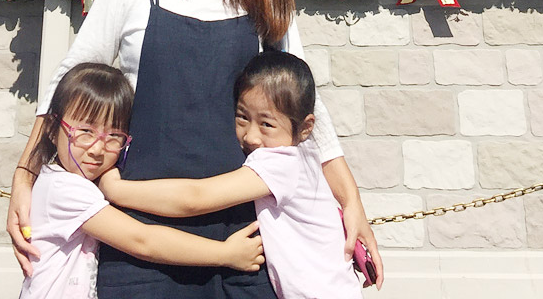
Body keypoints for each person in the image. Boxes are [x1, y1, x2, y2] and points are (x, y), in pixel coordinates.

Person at [8, 0, 383, 297]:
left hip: (244, 238)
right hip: (142, 233)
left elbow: (307, 108)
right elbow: (70, 79)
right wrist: (25, 176)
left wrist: (352, 201)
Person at [99, 51, 376, 298]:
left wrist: (117, 191)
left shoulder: (281, 163)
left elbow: (195, 198)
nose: (251, 136)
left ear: (305, 128)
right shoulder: (307, 153)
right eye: (242, 117)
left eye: (267, 124)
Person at [20, 62, 264, 298]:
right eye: (85, 132)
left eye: (113, 136)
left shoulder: (69, 182)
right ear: (51, 129)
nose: (97, 149)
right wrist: (225, 253)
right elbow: (142, 240)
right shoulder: (64, 189)